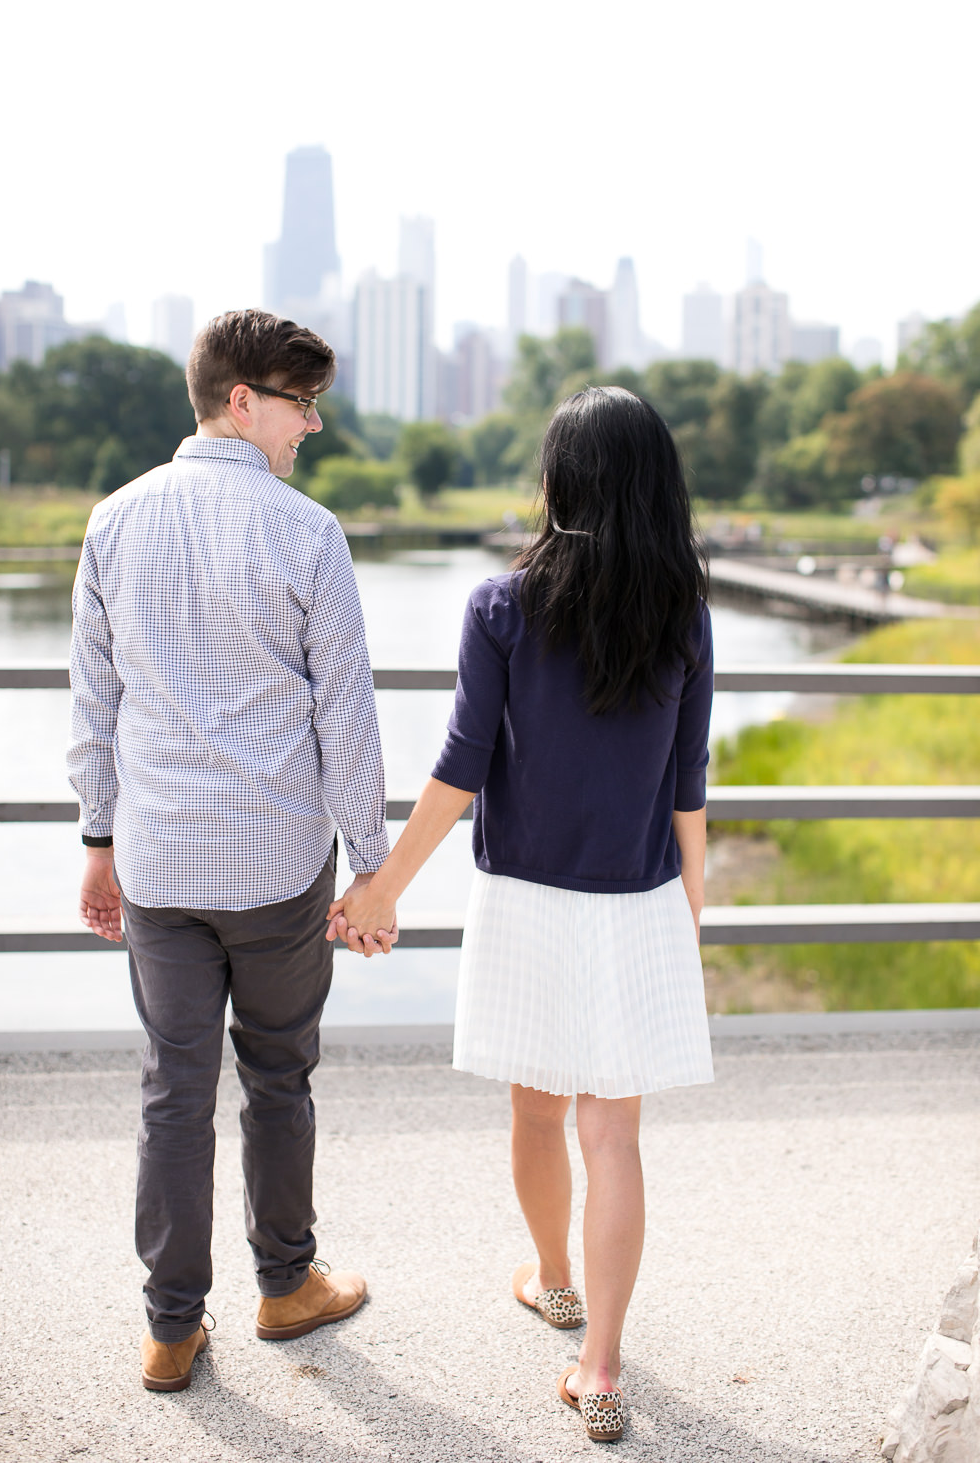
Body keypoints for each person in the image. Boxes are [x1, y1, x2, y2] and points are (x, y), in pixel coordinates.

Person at [327, 386, 714, 1442]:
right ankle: (598, 1369)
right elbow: (689, 783)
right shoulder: (682, 608)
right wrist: (692, 909)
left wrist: (380, 889)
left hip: (526, 901)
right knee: (615, 1134)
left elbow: (460, 769)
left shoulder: (504, 605)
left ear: (564, 481)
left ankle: (553, 1278)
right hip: (635, 898)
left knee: (537, 1109)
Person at [67, 309, 394, 1394]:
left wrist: (98, 840)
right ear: (242, 399)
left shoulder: (114, 521)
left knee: (173, 1091)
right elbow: (345, 713)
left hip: (158, 863)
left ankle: (170, 1327)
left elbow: (94, 703)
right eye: (301, 406)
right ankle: (285, 1283)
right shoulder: (307, 533)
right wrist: (370, 864)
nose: (311, 428)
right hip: (274, 867)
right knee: (279, 1077)